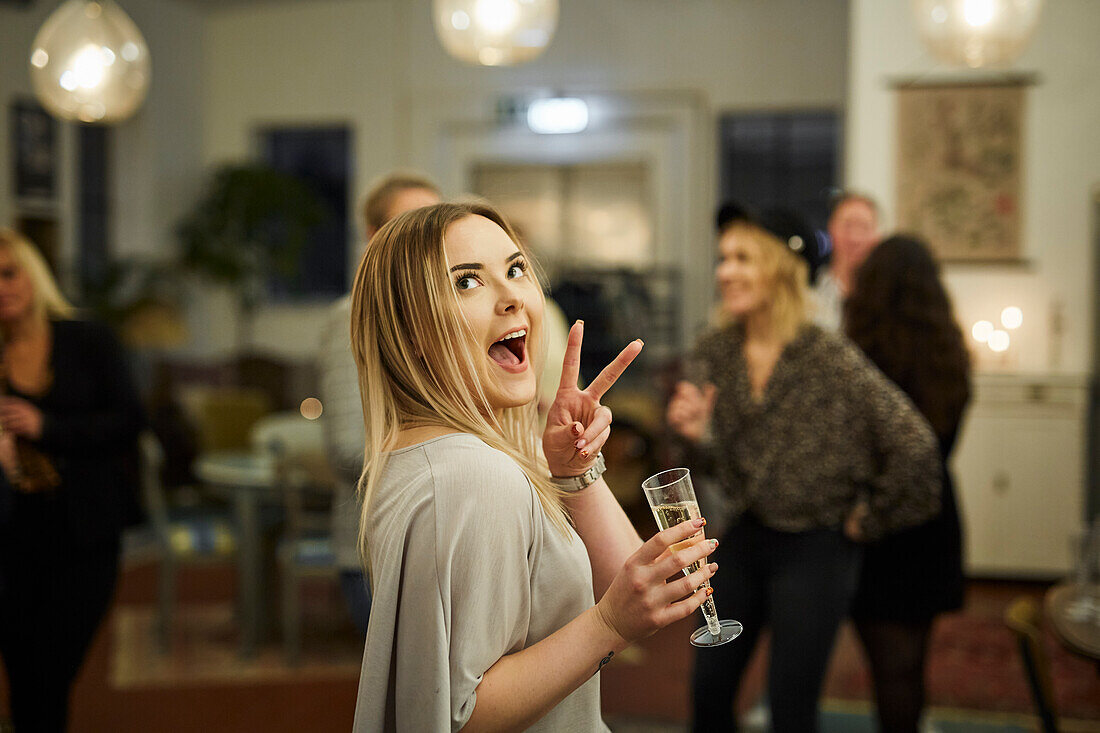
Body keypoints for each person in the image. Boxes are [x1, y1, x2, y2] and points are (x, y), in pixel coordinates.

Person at [350, 201, 719, 731]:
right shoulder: (474, 476)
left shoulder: (419, 456)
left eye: (515, 268)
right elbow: (461, 716)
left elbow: (634, 598)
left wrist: (575, 473)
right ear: (411, 330)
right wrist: (607, 624)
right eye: (467, 282)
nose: (512, 298)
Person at [666, 208, 941, 733]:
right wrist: (699, 437)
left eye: (743, 257)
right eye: (723, 258)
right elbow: (713, 469)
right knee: (708, 690)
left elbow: (916, 446)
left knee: (791, 705)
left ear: (783, 268)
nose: (725, 271)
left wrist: (868, 519)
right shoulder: (714, 349)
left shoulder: (829, 357)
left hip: (816, 549)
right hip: (745, 536)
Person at [0, 228, 144, 732]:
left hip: (85, 530)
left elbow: (129, 420)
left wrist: (47, 427)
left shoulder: (86, 339)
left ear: (33, 274)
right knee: (22, 675)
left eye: (9, 273)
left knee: (50, 670)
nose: (2, 287)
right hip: (11, 534)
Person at [845, 235, 971, 733]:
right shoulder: (949, 352)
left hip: (879, 527)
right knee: (911, 665)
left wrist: (864, 515)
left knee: (886, 667)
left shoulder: (863, 357)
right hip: (935, 519)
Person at [319, 171, 441, 634]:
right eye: (411, 223)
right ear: (374, 237)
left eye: (434, 224)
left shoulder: (440, 313)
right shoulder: (350, 316)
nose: (425, 239)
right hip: (379, 548)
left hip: (434, 543)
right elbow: (351, 449)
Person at [815, 191, 881, 330]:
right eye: (847, 226)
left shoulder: (887, 294)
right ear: (831, 229)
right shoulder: (813, 290)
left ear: (877, 235)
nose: (855, 238)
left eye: (864, 227)